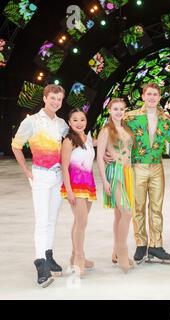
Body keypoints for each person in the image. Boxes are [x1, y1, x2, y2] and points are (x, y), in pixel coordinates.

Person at [11, 84, 68, 287]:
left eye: (59, 99)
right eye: (52, 98)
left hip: (57, 176)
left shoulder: (61, 123)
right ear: (45, 98)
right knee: (42, 220)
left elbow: (75, 140)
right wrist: (26, 171)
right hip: (40, 176)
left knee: (52, 219)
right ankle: (40, 262)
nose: (55, 102)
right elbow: (16, 146)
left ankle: (49, 254)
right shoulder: (31, 122)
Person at [125, 83, 170, 264]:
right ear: (143, 96)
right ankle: (141, 243)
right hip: (137, 166)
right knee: (138, 206)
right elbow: (115, 134)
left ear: (159, 97)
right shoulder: (130, 117)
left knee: (156, 207)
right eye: (149, 94)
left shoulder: (167, 120)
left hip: (156, 166)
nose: (152, 97)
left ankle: (156, 245)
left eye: (155, 94)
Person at [97, 98, 135, 273]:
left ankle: (115, 251)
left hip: (128, 172)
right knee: (127, 212)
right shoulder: (106, 130)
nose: (119, 112)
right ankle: (122, 251)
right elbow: (99, 157)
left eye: (121, 109)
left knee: (120, 215)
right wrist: (104, 180)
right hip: (115, 174)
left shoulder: (126, 128)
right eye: (115, 109)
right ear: (110, 111)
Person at [61, 109, 97, 276]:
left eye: (82, 119)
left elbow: (100, 148)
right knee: (81, 223)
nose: (79, 122)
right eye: (75, 120)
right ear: (69, 123)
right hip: (75, 185)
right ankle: (79, 259)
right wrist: (69, 190)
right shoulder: (69, 140)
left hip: (88, 183)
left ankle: (74, 255)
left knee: (80, 222)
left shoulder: (87, 138)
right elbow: (64, 166)